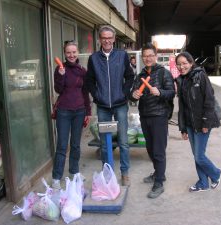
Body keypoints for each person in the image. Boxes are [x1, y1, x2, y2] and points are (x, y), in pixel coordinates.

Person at [85, 25, 134, 186]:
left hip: (120, 104)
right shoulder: (93, 58)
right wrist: (96, 95)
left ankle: (124, 173)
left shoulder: (122, 56)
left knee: (123, 141)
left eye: (109, 37)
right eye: (103, 37)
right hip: (103, 106)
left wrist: (125, 93)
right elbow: (89, 81)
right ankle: (108, 173)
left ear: (114, 39)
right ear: (100, 39)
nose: (106, 40)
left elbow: (129, 76)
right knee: (105, 143)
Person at [130, 43, 175, 198]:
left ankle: (159, 183)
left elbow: (171, 93)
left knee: (158, 150)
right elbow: (133, 93)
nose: (148, 58)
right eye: (145, 56)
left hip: (159, 116)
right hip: (145, 115)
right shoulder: (140, 75)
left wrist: (160, 92)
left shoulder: (164, 73)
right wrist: (133, 95)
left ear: (155, 56)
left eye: (151, 55)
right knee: (150, 149)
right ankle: (158, 173)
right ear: (142, 58)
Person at [175, 51, 221, 192]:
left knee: (200, 156)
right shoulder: (181, 80)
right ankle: (203, 183)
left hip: (202, 123)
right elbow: (182, 107)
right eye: (179, 64)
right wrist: (182, 128)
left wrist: (206, 123)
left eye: (184, 63)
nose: (182, 67)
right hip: (189, 124)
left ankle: (215, 173)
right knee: (196, 155)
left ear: (191, 63)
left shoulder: (200, 75)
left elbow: (209, 99)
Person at [52, 40, 91, 189]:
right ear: (65, 53)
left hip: (79, 111)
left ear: (77, 53)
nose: (71, 55)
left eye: (74, 52)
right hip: (63, 111)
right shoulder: (60, 69)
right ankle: (56, 178)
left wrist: (88, 111)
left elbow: (85, 92)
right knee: (62, 145)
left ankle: (74, 172)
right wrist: (61, 76)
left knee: (75, 145)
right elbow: (59, 90)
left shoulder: (82, 70)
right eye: (68, 52)